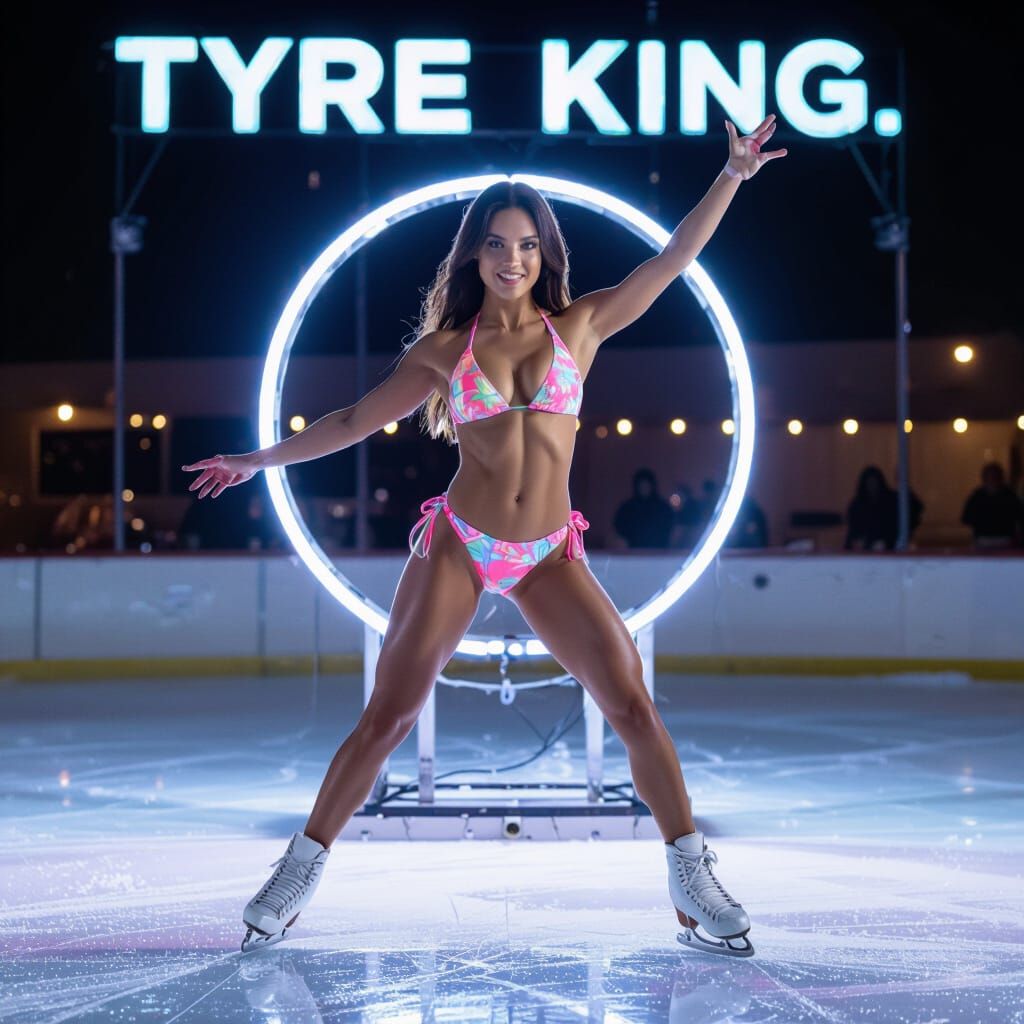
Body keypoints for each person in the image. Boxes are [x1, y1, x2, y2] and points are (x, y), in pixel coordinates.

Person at [182, 114, 786, 959]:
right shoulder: (441, 351)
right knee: (389, 715)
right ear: (474, 253)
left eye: (529, 245)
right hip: (462, 543)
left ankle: (691, 877)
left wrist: (731, 175)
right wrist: (258, 459)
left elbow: (673, 260)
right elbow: (354, 418)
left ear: (546, 254)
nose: (513, 259)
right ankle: (297, 871)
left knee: (633, 705)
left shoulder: (582, 326)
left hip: (546, 552)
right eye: (498, 244)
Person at [844, 465, 922, 551]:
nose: (872, 486)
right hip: (865, 553)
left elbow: (914, 508)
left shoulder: (891, 501)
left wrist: (903, 483)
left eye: (875, 482)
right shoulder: (857, 505)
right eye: (869, 483)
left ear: (880, 482)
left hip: (892, 549)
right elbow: (854, 533)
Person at [961, 462, 1024, 548]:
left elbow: (1020, 517)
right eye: (989, 476)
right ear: (984, 478)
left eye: (994, 476)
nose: (992, 479)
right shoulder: (977, 496)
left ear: (1000, 477)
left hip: (1005, 539)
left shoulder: (1010, 496)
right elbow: (966, 518)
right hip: (983, 539)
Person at [613, 468, 674, 548]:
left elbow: (668, 528)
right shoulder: (627, 508)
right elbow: (619, 527)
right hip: (633, 552)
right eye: (641, 485)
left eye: (646, 485)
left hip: (659, 552)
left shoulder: (663, 508)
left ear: (652, 486)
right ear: (636, 486)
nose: (644, 488)